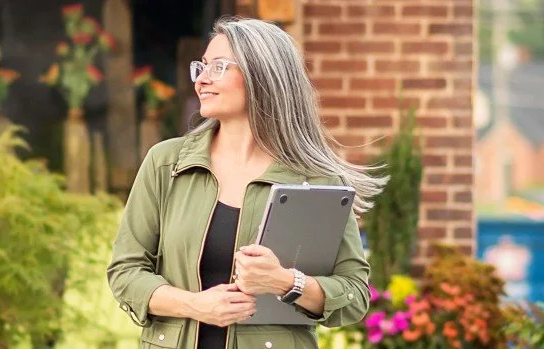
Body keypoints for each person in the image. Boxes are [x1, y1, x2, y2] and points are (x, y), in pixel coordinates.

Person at [107, 16, 385, 348]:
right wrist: (195, 305)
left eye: (219, 67)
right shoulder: (167, 164)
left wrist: (285, 282)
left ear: (260, 77)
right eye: (202, 66)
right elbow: (125, 272)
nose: (201, 80)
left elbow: (354, 295)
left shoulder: (315, 179)